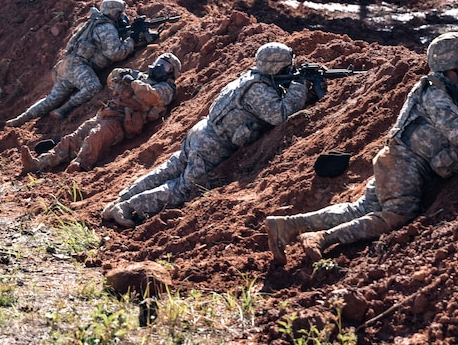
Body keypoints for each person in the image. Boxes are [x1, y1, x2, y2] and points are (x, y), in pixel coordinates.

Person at [265, 32, 458, 265]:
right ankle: (321, 238)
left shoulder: (446, 90)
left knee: (361, 210)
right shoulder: (436, 94)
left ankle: (287, 225)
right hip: (403, 165)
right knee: (397, 214)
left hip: (397, 161)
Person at [102, 42, 310, 228]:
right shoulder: (258, 90)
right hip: (211, 145)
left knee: (168, 170)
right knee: (184, 188)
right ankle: (128, 208)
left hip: (201, 133)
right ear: (276, 67)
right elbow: (281, 114)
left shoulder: (248, 78)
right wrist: (300, 86)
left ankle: (119, 200)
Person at [19, 52, 181, 174]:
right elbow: (112, 81)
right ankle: (39, 164)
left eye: (166, 67)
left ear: (170, 73)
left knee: (95, 136)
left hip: (122, 122)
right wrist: (122, 75)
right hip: (106, 113)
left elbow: (152, 97)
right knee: (73, 138)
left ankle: (80, 165)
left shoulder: (166, 89)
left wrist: (133, 82)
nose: (160, 67)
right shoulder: (140, 76)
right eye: (159, 62)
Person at [6, 0, 140, 127]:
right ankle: (64, 109)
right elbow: (116, 53)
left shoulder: (92, 23)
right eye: (120, 13)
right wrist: (131, 41)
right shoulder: (106, 27)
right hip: (78, 66)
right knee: (93, 87)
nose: (122, 16)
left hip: (67, 65)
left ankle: (22, 118)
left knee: (52, 98)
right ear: (113, 13)